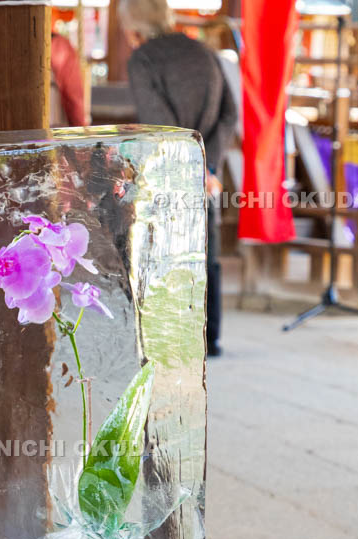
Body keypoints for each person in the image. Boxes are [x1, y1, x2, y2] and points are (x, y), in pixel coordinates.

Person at [119, 0, 237, 356]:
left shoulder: (143, 59)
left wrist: (189, 164)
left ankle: (172, 334)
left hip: (168, 166)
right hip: (206, 171)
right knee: (207, 247)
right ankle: (210, 335)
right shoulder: (205, 52)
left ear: (134, 26)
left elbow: (158, 121)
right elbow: (230, 114)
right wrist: (207, 165)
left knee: (165, 247)